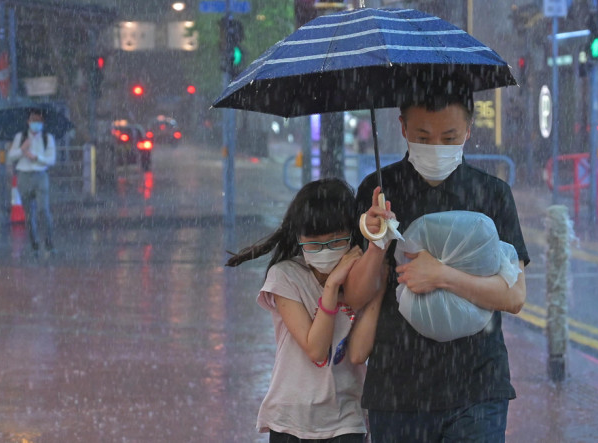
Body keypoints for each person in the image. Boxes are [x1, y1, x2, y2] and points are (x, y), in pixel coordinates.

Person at [343, 85, 530, 443]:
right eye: (424, 137)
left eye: (449, 137)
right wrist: (376, 246)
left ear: (469, 130)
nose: (437, 148)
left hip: (477, 387)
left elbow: (515, 296)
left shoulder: (491, 194)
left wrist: (442, 276)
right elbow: (353, 297)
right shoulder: (379, 190)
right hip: (398, 391)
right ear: (402, 128)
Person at [226, 178, 385, 443]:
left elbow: (358, 353)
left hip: (346, 416)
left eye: (336, 242)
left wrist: (376, 273)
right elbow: (316, 349)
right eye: (313, 244)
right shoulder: (285, 277)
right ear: (298, 238)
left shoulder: (359, 280)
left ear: (352, 235)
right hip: (291, 419)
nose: (324, 252)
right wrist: (332, 286)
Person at [7, 108, 56, 255]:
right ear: (28, 122)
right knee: (29, 214)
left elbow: (51, 159)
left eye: (39, 121)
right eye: (33, 120)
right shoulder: (20, 137)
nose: (36, 124)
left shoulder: (48, 138)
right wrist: (22, 149)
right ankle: (34, 243)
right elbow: (11, 157)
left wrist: (37, 158)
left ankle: (49, 242)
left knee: (43, 210)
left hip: (41, 176)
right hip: (24, 177)